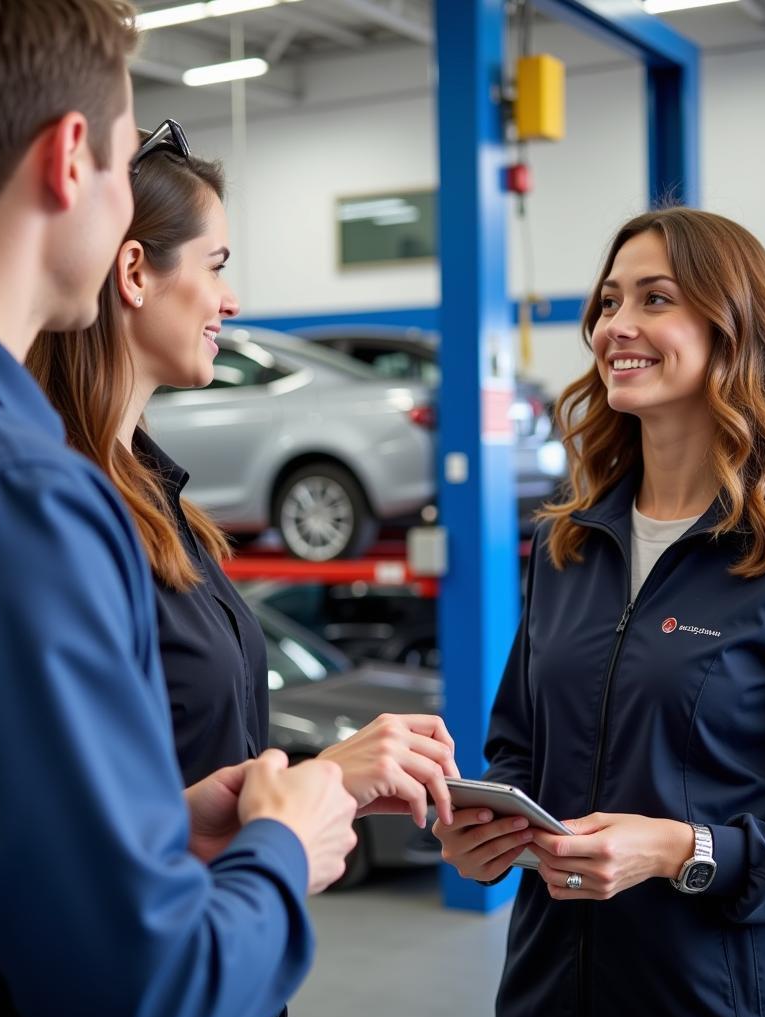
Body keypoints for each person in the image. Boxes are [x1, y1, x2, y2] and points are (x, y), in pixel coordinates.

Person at [0, 4, 361, 1017]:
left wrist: (158, 833)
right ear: (69, 158)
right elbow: (150, 988)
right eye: (127, 158)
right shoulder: (12, 496)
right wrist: (280, 848)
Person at [433, 207, 765, 1017]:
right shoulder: (566, 545)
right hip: (546, 993)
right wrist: (486, 830)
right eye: (608, 302)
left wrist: (689, 851)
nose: (616, 326)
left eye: (654, 299)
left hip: (720, 999)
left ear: (733, 330)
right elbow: (517, 752)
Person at [26, 121, 459, 894]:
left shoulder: (158, 498)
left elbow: (185, 788)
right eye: (215, 265)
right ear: (134, 271)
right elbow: (64, 836)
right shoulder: (62, 512)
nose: (231, 300)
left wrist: (326, 781)